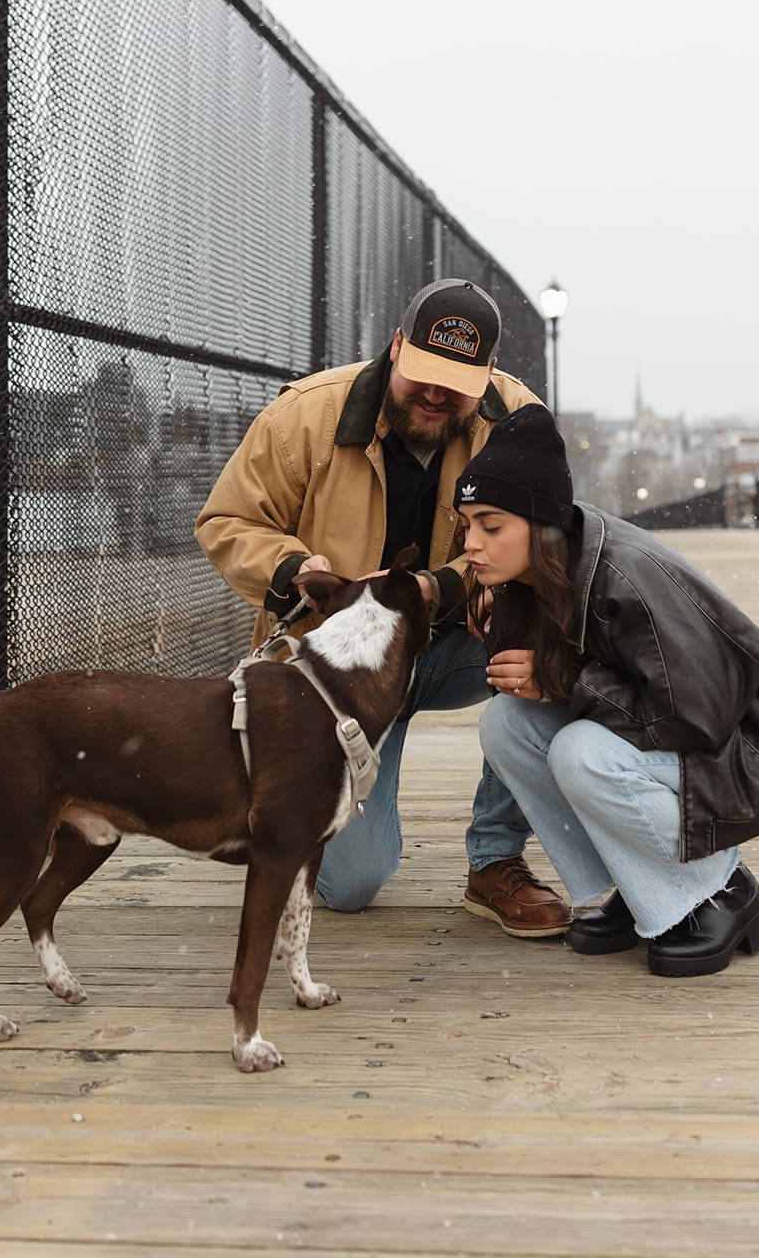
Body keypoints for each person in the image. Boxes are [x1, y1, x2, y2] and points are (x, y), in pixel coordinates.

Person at [195, 279, 571, 937]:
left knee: (553, 650)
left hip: (457, 644)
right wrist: (291, 569)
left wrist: (439, 588)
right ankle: (287, 806)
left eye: (453, 383)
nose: (432, 394)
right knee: (348, 886)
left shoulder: (514, 420)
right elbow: (227, 520)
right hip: (341, 666)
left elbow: (542, 541)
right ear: (395, 348)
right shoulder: (305, 415)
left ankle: (494, 862)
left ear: (485, 378)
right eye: (421, 373)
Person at [453, 403, 759, 976]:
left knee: (579, 751)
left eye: (491, 526)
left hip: (749, 749)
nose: (472, 544)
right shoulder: (531, 576)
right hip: (679, 735)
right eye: (466, 525)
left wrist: (560, 680)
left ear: (541, 522)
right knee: (506, 726)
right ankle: (637, 892)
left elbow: (697, 717)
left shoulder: (628, 576)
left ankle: (719, 890)